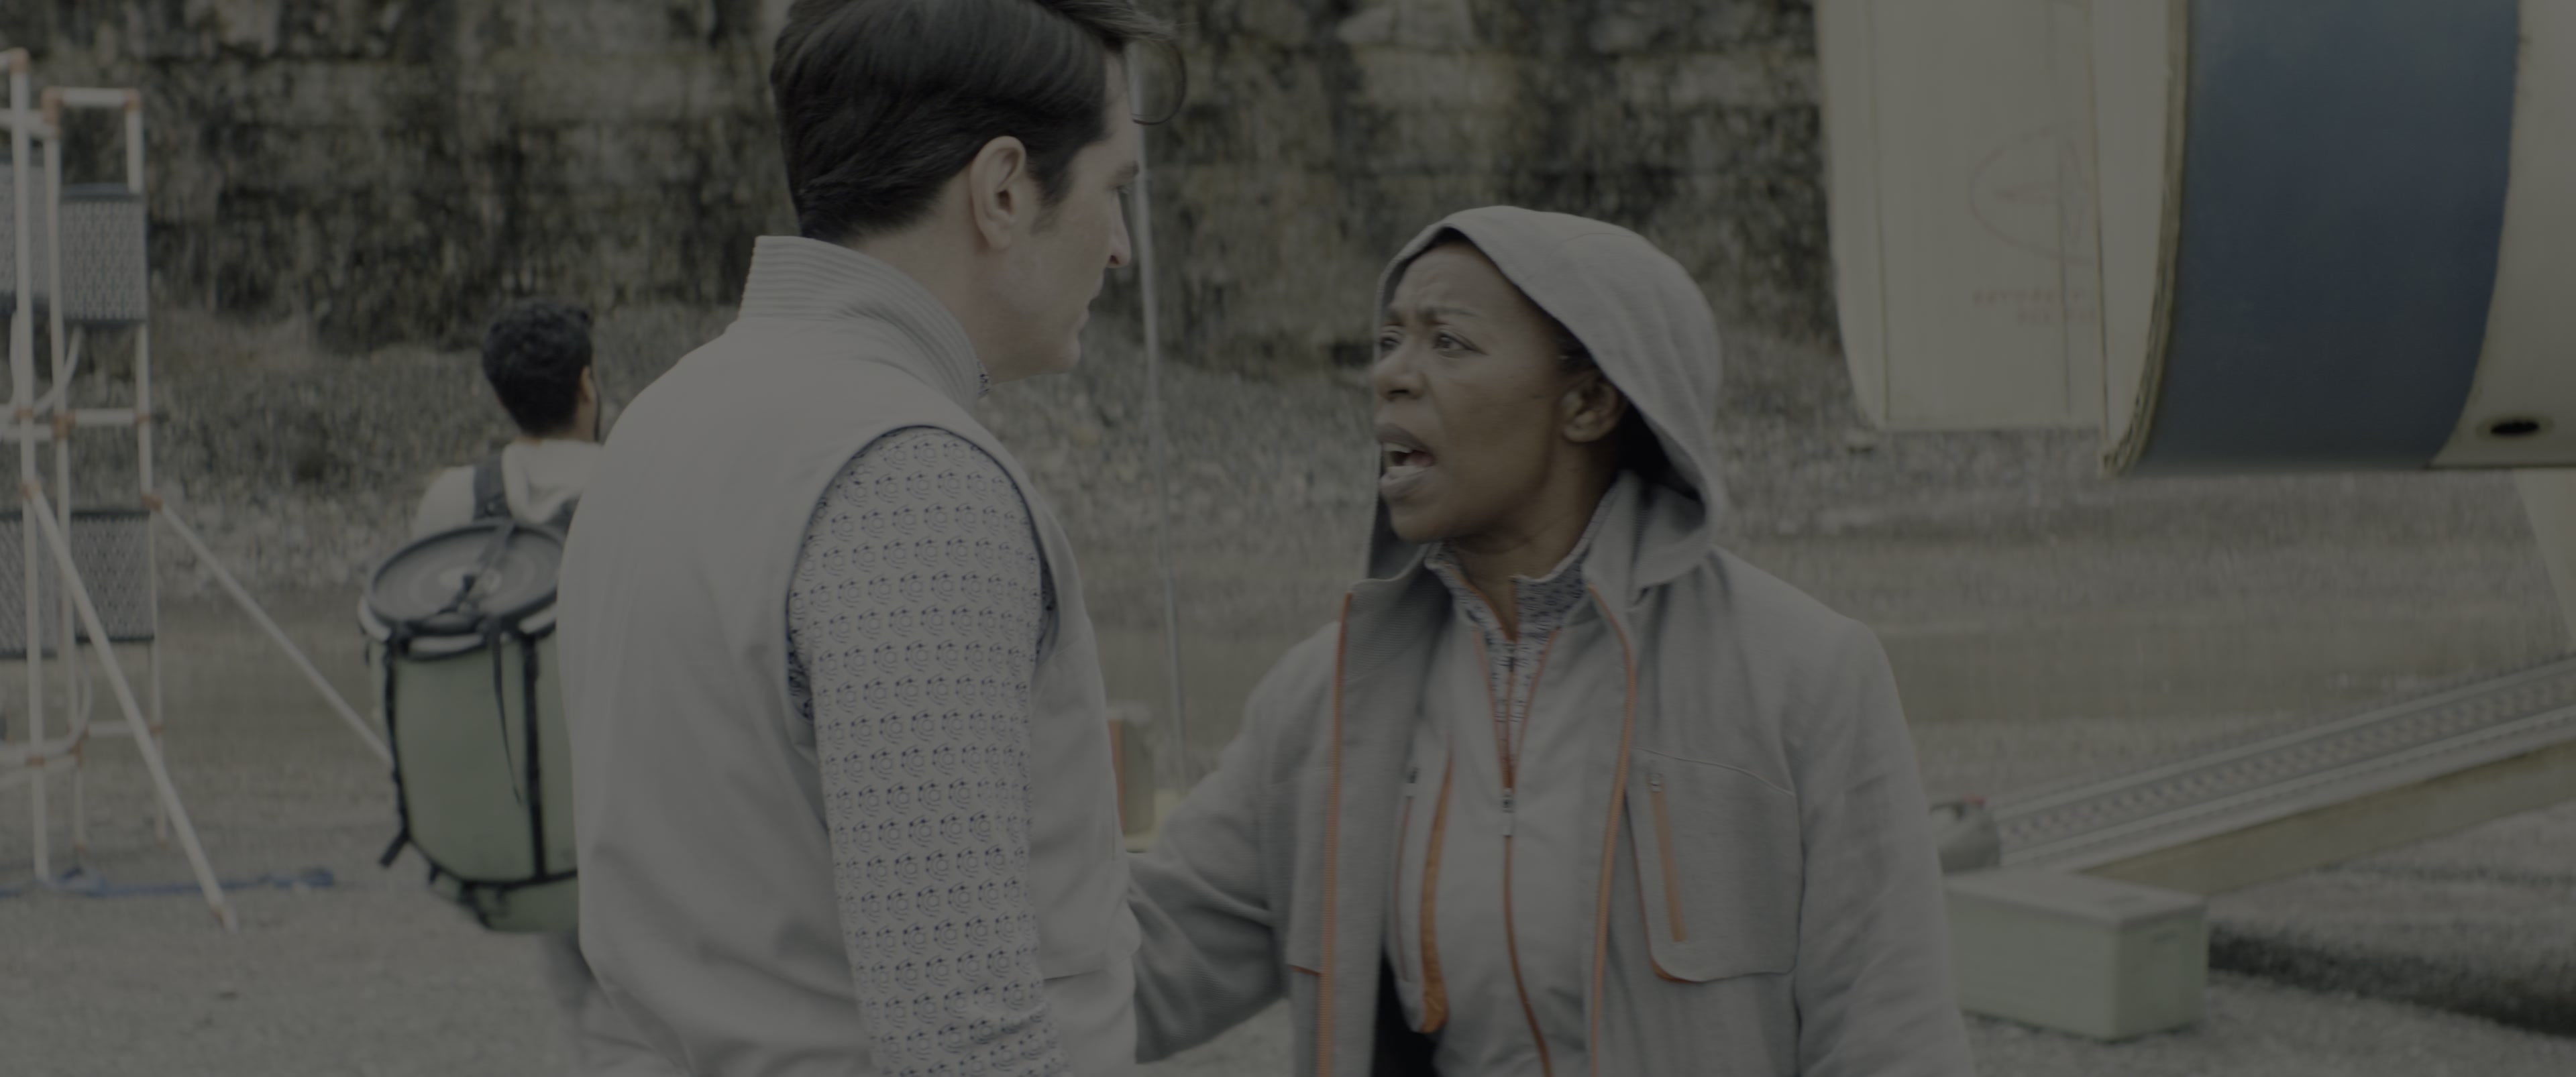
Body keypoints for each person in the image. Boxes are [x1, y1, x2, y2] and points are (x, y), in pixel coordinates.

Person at [1126, 207, 1975, 1076]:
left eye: (1448, 342)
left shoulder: (1805, 676)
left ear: (1589, 402)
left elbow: (1895, 1044)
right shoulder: (1319, 703)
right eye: (1388, 341)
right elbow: (1133, 966)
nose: (1391, 375)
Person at [554, 1, 1177, 1074]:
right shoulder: (909, 480)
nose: (1120, 248)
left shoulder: (664, 420)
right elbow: (959, 1033)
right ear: (1003, 190)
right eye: (1113, 188)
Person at [407, 298, 675, 1076]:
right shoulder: (641, 481)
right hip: (636, 799)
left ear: (501, 395)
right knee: (639, 1011)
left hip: (523, 805)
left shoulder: (454, 500)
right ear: (588, 384)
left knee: (581, 996)